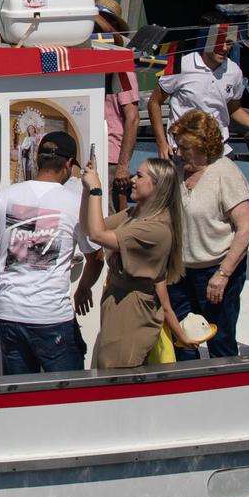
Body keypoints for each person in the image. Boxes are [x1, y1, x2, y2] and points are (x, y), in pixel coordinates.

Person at [0, 132, 98, 375]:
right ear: (67, 165)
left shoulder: (5, 196)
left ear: (36, 158)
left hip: (8, 312)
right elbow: (96, 257)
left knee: (21, 396)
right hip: (51, 315)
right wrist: (83, 288)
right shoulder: (75, 202)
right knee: (68, 397)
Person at [163, 109, 249, 360]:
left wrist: (223, 274)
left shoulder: (226, 173)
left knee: (220, 341)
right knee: (182, 340)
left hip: (215, 272)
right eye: (177, 147)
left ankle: (226, 392)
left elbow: (245, 228)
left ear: (203, 146)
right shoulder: (180, 172)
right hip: (181, 272)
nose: (178, 153)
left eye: (185, 148)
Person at [82, 148, 185, 370]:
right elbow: (88, 227)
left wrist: (97, 189)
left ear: (157, 185)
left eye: (139, 176)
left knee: (116, 370)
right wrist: (86, 189)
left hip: (132, 309)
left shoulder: (155, 229)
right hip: (118, 300)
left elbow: (97, 235)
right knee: (110, 366)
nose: (132, 180)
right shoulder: (136, 214)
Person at [150, 31, 249, 157]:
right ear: (205, 40)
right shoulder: (181, 64)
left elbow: (233, 108)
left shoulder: (234, 71)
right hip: (183, 152)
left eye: (229, 43)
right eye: (219, 42)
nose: (224, 48)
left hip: (220, 150)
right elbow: (154, 102)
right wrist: (161, 143)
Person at [94, 0, 142, 167]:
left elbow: (133, 118)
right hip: (88, 152)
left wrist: (123, 165)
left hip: (111, 156)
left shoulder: (122, 65)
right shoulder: (89, 61)